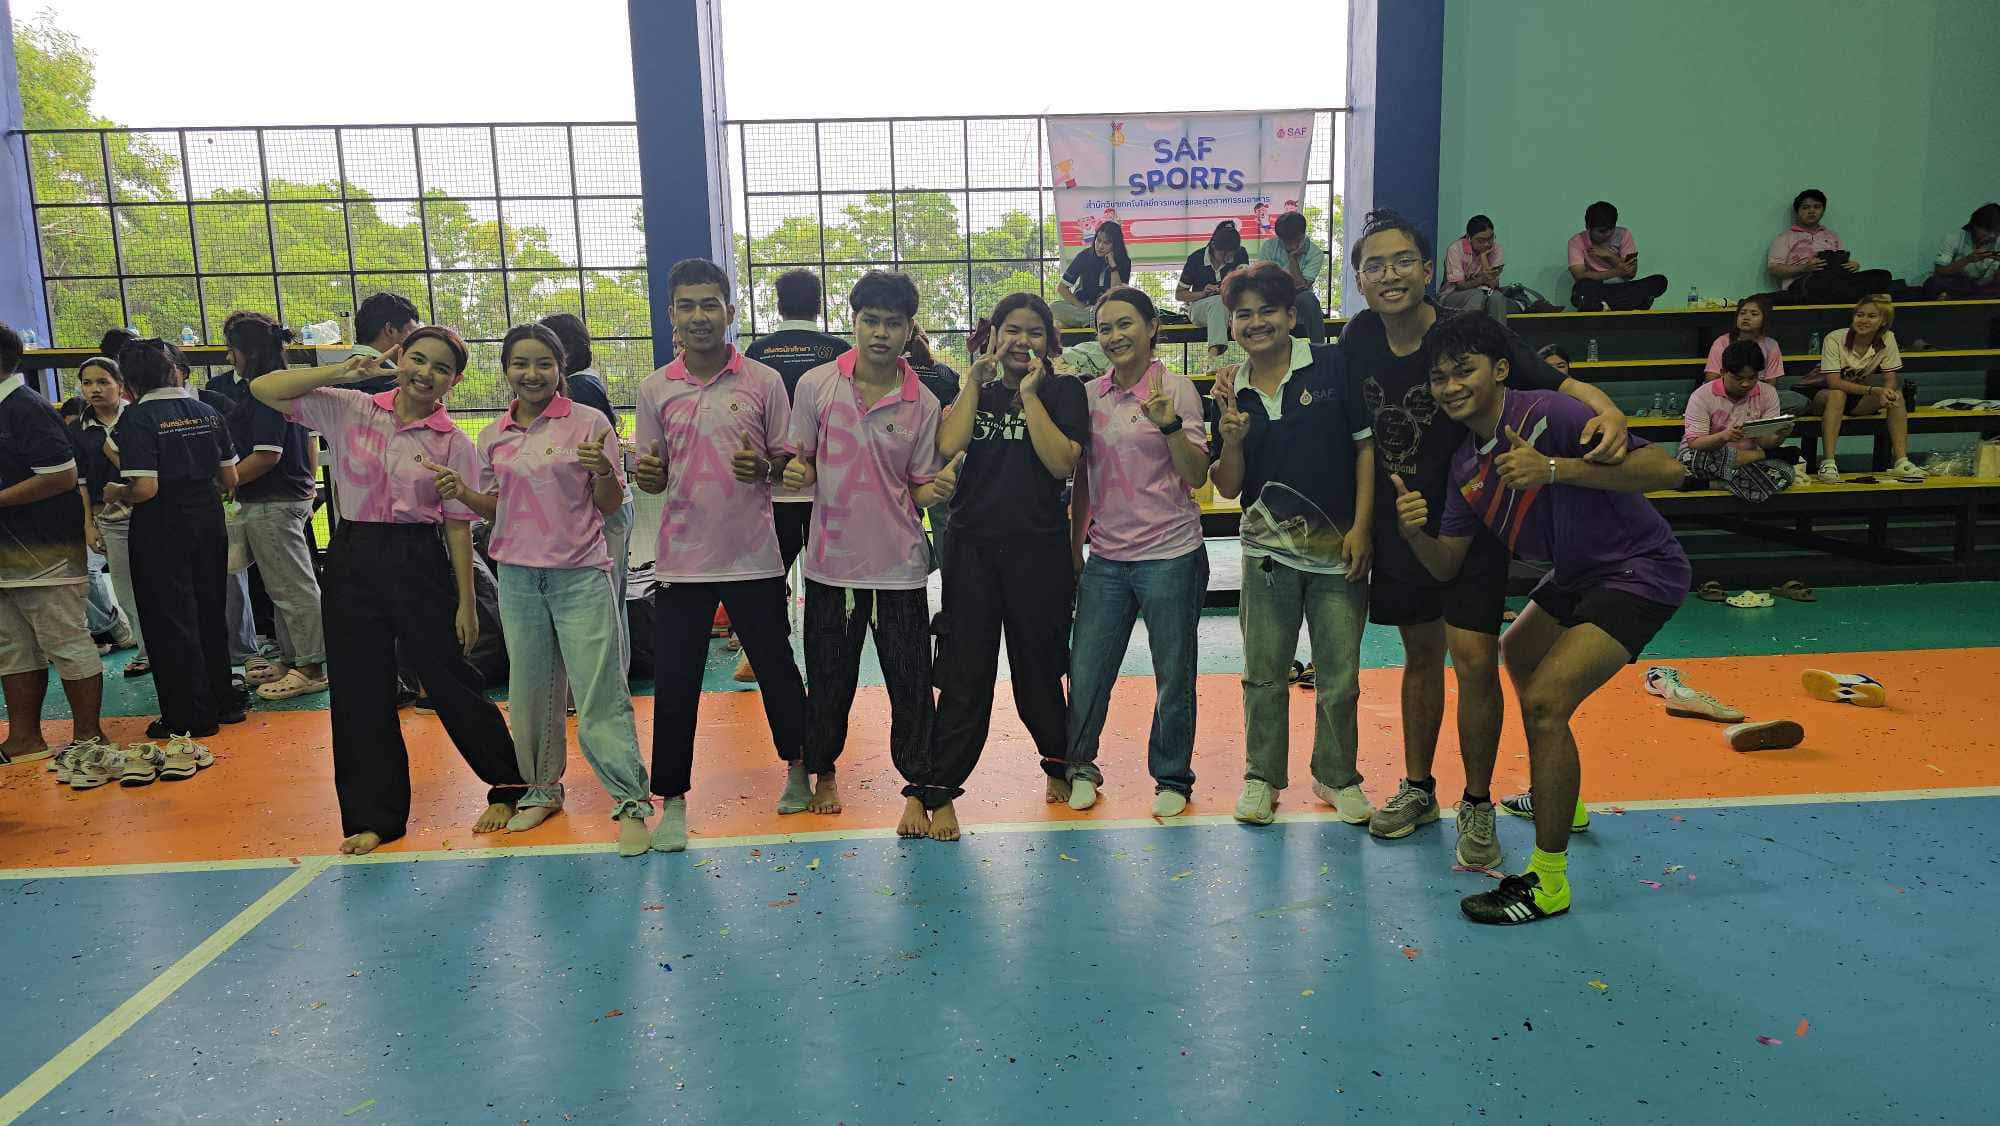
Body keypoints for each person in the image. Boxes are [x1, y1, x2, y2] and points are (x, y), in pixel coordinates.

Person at [1337, 209, 1628, 871]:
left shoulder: (1465, 335)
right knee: (1419, 659)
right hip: (1403, 524)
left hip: (1477, 516)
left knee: (1473, 662)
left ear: (1426, 268)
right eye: (1375, 265)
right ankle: (1417, 789)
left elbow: (1559, 382)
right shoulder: (1358, 337)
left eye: (1402, 261)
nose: (1389, 275)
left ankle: (1476, 801)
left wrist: (1608, 411)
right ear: (1360, 279)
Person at [1392, 311, 1690, 924]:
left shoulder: (1554, 416)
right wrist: (1413, 532)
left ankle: (1548, 881)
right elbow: (1448, 564)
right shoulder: (1466, 468)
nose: (1451, 386)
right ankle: (1562, 798)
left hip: (1641, 569)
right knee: (1518, 652)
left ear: (1501, 369)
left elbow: (1669, 470)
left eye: (1464, 371)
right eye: (1440, 377)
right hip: (1577, 574)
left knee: (1546, 702)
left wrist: (1555, 469)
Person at [249, 326, 524, 855]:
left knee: (448, 677)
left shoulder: (452, 441)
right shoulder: (349, 408)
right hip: (352, 556)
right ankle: (375, 816)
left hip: (419, 558)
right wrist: (343, 370)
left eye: (441, 368)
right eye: (417, 360)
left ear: (454, 381)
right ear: (400, 360)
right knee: (359, 688)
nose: (426, 374)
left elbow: (458, 526)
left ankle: (510, 785)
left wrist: (468, 604)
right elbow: (264, 388)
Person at [436, 323, 653, 857]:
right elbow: (496, 507)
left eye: (542, 364)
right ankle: (541, 789)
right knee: (530, 690)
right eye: (520, 364)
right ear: (506, 370)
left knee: (599, 692)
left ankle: (630, 802)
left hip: (580, 574)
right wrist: (464, 491)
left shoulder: (588, 423)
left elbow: (608, 504)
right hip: (517, 577)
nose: (531, 374)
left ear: (560, 369)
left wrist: (604, 471)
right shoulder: (493, 436)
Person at [633, 258, 810, 849]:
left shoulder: (764, 381)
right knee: (675, 682)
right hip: (681, 561)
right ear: (672, 315)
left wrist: (767, 467)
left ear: (730, 312)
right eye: (687, 305)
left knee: (776, 668)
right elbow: (654, 473)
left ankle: (799, 768)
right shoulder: (655, 388)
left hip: (752, 556)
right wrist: (650, 475)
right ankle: (673, 801)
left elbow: (786, 464)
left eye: (710, 304)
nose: (700, 316)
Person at [782, 270, 951, 838]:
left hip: (899, 567)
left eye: (893, 323)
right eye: (870, 320)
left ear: (909, 329)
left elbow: (919, 488)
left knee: (911, 686)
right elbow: (802, 459)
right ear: (852, 321)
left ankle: (920, 789)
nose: (880, 332)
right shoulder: (816, 386)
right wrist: (798, 470)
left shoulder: (924, 402)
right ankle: (824, 771)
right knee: (829, 680)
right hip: (830, 565)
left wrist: (937, 490)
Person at [1208, 262, 1376, 826]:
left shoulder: (1332, 365)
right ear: (1232, 324)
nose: (1256, 323)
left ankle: (1337, 776)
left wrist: (1363, 527)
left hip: (1337, 551)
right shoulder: (1230, 391)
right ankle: (1262, 778)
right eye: (1243, 315)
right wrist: (1232, 441)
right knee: (1263, 673)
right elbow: (1228, 486)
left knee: (1340, 677)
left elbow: (1365, 449)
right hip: (1265, 556)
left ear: (1289, 315)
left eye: (1266, 311)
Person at [923, 293, 1087, 840]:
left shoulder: (1064, 392)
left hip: (1038, 552)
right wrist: (974, 383)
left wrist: (1031, 396)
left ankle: (1058, 762)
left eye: (1035, 332)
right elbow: (947, 445)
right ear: (993, 336)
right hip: (971, 550)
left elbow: (1061, 462)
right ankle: (941, 789)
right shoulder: (977, 390)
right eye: (1011, 330)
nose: (1022, 341)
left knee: (1038, 670)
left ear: (1049, 341)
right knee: (965, 673)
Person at [1062, 286, 1211, 818]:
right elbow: (1083, 478)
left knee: (1174, 673)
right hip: (1107, 558)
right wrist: (1076, 546)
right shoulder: (1090, 396)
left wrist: (1168, 424)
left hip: (1172, 555)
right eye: (1105, 328)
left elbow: (1197, 475)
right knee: (1087, 670)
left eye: (1125, 324)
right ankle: (1080, 766)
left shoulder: (1178, 389)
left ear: (1151, 328)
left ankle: (1172, 777)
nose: (1115, 336)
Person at [103, 339, 239, 765]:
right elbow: (231, 478)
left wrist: (116, 491)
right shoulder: (207, 410)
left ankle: (189, 715)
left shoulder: (138, 418)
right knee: (209, 608)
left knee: (169, 617)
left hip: (163, 522)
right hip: (208, 516)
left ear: (128, 381)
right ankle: (224, 701)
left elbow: (145, 488)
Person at [0, 323, 116, 770]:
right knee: (12, 646)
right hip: (9, 554)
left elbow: (60, 476)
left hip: (45, 552)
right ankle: (24, 738)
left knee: (65, 640)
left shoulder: (25, 408)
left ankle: (89, 734)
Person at [739, 271, 850, 684]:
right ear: (818, 304)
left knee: (769, 574)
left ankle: (760, 654)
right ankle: (832, 657)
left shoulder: (757, 353)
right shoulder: (840, 352)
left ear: (779, 304)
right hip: (828, 488)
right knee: (832, 577)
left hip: (772, 488)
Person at [217, 312, 328, 702]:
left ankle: (311, 668)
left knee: (292, 588)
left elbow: (267, 455)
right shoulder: (278, 386)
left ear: (246, 351)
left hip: (274, 502)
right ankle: (293, 658)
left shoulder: (265, 391)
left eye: (232, 349)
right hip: (278, 499)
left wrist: (224, 482)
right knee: (282, 588)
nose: (229, 357)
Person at [539, 312, 635, 677]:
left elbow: (588, 463)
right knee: (609, 601)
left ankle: (608, 682)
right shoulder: (582, 384)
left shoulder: (580, 388)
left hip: (604, 508)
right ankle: (609, 680)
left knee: (603, 602)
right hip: (603, 509)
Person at [1797, 295, 1922, 483]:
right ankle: (1828, 462)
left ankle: (1901, 461)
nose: (1863, 320)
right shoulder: (1835, 337)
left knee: (1896, 396)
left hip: (1856, 393)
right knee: (1837, 394)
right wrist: (1875, 391)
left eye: (1872, 316)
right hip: (1818, 392)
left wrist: (1886, 392)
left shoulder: (1888, 338)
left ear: (1883, 321)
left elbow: (1890, 378)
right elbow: (1834, 382)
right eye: (1859, 315)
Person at [69, 358, 142, 668]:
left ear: (120, 385)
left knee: (159, 585)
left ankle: (167, 649)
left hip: (149, 510)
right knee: (126, 590)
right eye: (87, 383)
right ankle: (146, 650)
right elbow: (82, 482)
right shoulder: (79, 429)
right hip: (109, 518)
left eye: (103, 382)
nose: (94, 389)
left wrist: (112, 453)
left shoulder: (138, 417)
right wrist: (89, 524)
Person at [1679, 339, 1798, 502]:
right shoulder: (1702, 395)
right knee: (1690, 458)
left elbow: (1765, 441)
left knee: (1785, 472)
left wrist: (1780, 435)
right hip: (1710, 456)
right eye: (1738, 378)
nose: (1745, 384)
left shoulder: (1768, 393)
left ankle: (1713, 484)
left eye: (1752, 377)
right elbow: (1695, 443)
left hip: (1745, 462)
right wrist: (1724, 437)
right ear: (1723, 372)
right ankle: (1753, 476)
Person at [1766, 189, 1895, 305]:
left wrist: (1852, 266)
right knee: (1822, 281)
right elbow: (1774, 269)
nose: (1811, 211)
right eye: (1806, 207)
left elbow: (1841, 264)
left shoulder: (1832, 237)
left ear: (1823, 210)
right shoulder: (1785, 237)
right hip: (1805, 284)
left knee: (1882, 275)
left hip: (1835, 282)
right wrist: (1804, 268)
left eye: (1817, 207)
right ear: (1797, 211)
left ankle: (1848, 294)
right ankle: (1868, 295)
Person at [1700, 294, 1808, 413]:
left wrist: (1753, 393)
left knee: (1799, 401)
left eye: (1754, 314)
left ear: (1764, 319)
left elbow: (1770, 385)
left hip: (1756, 395)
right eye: (1742, 313)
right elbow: (1711, 379)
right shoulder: (1722, 342)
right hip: (1727, 394)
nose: (1746, 317)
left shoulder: (1771, 345)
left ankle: (1746, 412)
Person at [1441, 215, 1560, 321]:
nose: (1487, 244)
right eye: (1481, 240)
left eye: (1490, 238)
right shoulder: (1456, 249)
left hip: (1485, 292)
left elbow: (1493, 284)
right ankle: (1471, 336)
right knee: (1477, 296)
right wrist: (1482, 279)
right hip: (1453, 295)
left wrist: (1483, 257)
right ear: (1468, 237)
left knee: (1497, 298)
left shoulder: (1496, 249)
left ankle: (1499, 338)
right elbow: (1460, 286)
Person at [1567, 201, 1669, 311]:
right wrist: (1617, 272)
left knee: (1659, 281)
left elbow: (1631, 274)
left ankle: (1602, 306)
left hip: (1621, 287)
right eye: (1602, 231)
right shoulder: (1577, 241)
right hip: (1597, 287)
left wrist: (1610, 256)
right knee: (1580, 288)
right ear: (1588, 227)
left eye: (1612, 229)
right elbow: (1580, 276)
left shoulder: (1624, 234)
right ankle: (1634, 303)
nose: (1608, 234)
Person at [1177, 221, 1252, 359]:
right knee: (1218, 302)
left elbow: (1246, 283)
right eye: (1223, 254)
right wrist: (1203, 293)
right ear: (1213, 247)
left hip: (1232, 307)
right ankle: (1214, 357)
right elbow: (1180, 294)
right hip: (1200, 308)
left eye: (1230, 255)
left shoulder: (1241, 254)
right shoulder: (1196, 258)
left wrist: (1229, 286)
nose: (1227, 259)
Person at [1256, 211, 1329, 342]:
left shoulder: (1315, 254)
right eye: (1283, 240)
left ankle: (1319, 348)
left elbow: (1301, 285)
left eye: (1291, 240)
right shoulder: (1269, 247)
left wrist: (1293, 258)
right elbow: (1261, 279)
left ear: (1302, 235)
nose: (1286, 243)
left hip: (1297, 299)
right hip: (1271, 296)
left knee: (1309, 299)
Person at [339, 292, 423, 393]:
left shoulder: (339, 374)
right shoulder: (389, 384)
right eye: (414, 332)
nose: (417, 340)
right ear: (390, 330)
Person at [1053, 222, 1130, 328]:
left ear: (1115, 245)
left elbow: (1117, 294)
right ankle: (1094, 319)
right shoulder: (1084, 256)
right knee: (1054, 307)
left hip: (1108, 307)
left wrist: (1113, 266)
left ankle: (1087, 320)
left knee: (1124, 308)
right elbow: (1061, 288)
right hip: (1084, 307)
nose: (1100, 246)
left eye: (1106, 243)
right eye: (1098, 240)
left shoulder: (1123, 261)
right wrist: (1081, 307)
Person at [1925, 202, 2000, 299]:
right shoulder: (1954, 238)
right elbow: (1939, 271)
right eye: (1988, 230)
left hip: (1983, 286)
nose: (1993, 235)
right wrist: (1967, 259)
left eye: (1997, 231)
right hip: (1958, 283)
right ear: (1975, 225)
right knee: (1933, 283)